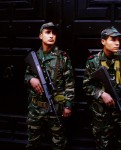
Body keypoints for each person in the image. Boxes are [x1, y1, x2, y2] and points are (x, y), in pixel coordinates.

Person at [24, 22, 75, 150]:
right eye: (47, 32)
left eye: (53, 33)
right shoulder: (34, 56)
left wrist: (68, 105)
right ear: (40, 36)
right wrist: (31, 80)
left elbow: (70, 83)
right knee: (32, 142)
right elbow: (26, 76)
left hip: (55, 108)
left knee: (59, 144)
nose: (51, 36)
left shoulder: (62, 57)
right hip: (35, 108)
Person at [83, 26, 121, 150]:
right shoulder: (93, 61)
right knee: (103, 145)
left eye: (118, 40)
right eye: (113, 39)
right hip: (102, 113)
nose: (117, 43)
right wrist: (101, 94)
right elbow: (86, 85)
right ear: (103, 41)